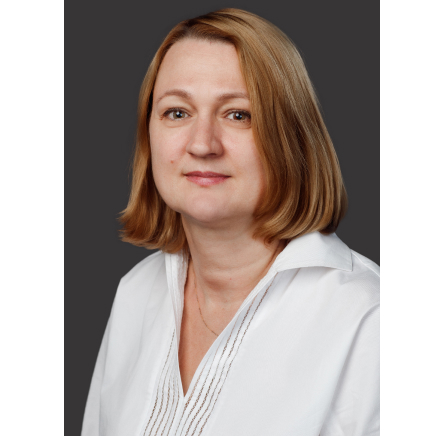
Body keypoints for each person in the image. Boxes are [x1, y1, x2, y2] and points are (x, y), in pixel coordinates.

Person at [81, 8, 379, 436]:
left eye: (238, 114)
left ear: (291, 136)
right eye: (177, 112)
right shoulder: (136, 293)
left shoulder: (372, 320)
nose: (202, 144)